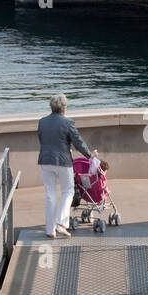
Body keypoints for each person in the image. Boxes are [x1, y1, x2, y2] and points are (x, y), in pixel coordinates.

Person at [38, 93, 93, 239]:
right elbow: (78, 142)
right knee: (68, 191)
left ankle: (50, 230)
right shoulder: (67, 123)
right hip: (63, 161)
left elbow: (42, 139)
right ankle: (61, 223)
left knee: (50, 194)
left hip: (45, 160)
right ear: (64, 107)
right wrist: (89, 155)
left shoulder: (42, 122)